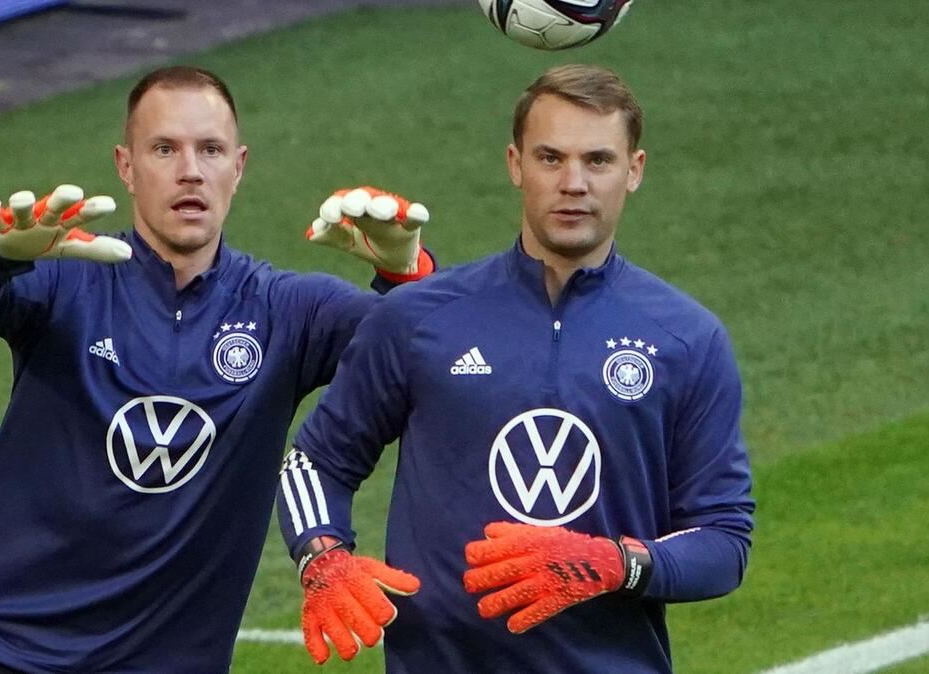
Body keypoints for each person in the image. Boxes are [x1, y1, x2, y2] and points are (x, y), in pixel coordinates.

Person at [0, 65, 435, 673]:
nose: (190, 170)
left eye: (210, 149)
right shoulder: (67, 274)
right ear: (126, 167)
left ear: (239, 166)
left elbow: (426, 355)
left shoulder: (288, 310)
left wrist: (403, 272)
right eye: (164, 149)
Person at [276, 63, 755, 673]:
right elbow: (317, 461)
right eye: (550, 158)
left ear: (634, 171)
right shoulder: (418, 317)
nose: (573, 183)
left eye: (598, 161)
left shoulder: (687, 340)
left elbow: (722, 541)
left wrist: (618, 563)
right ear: (514, 164)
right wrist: (322, 558)